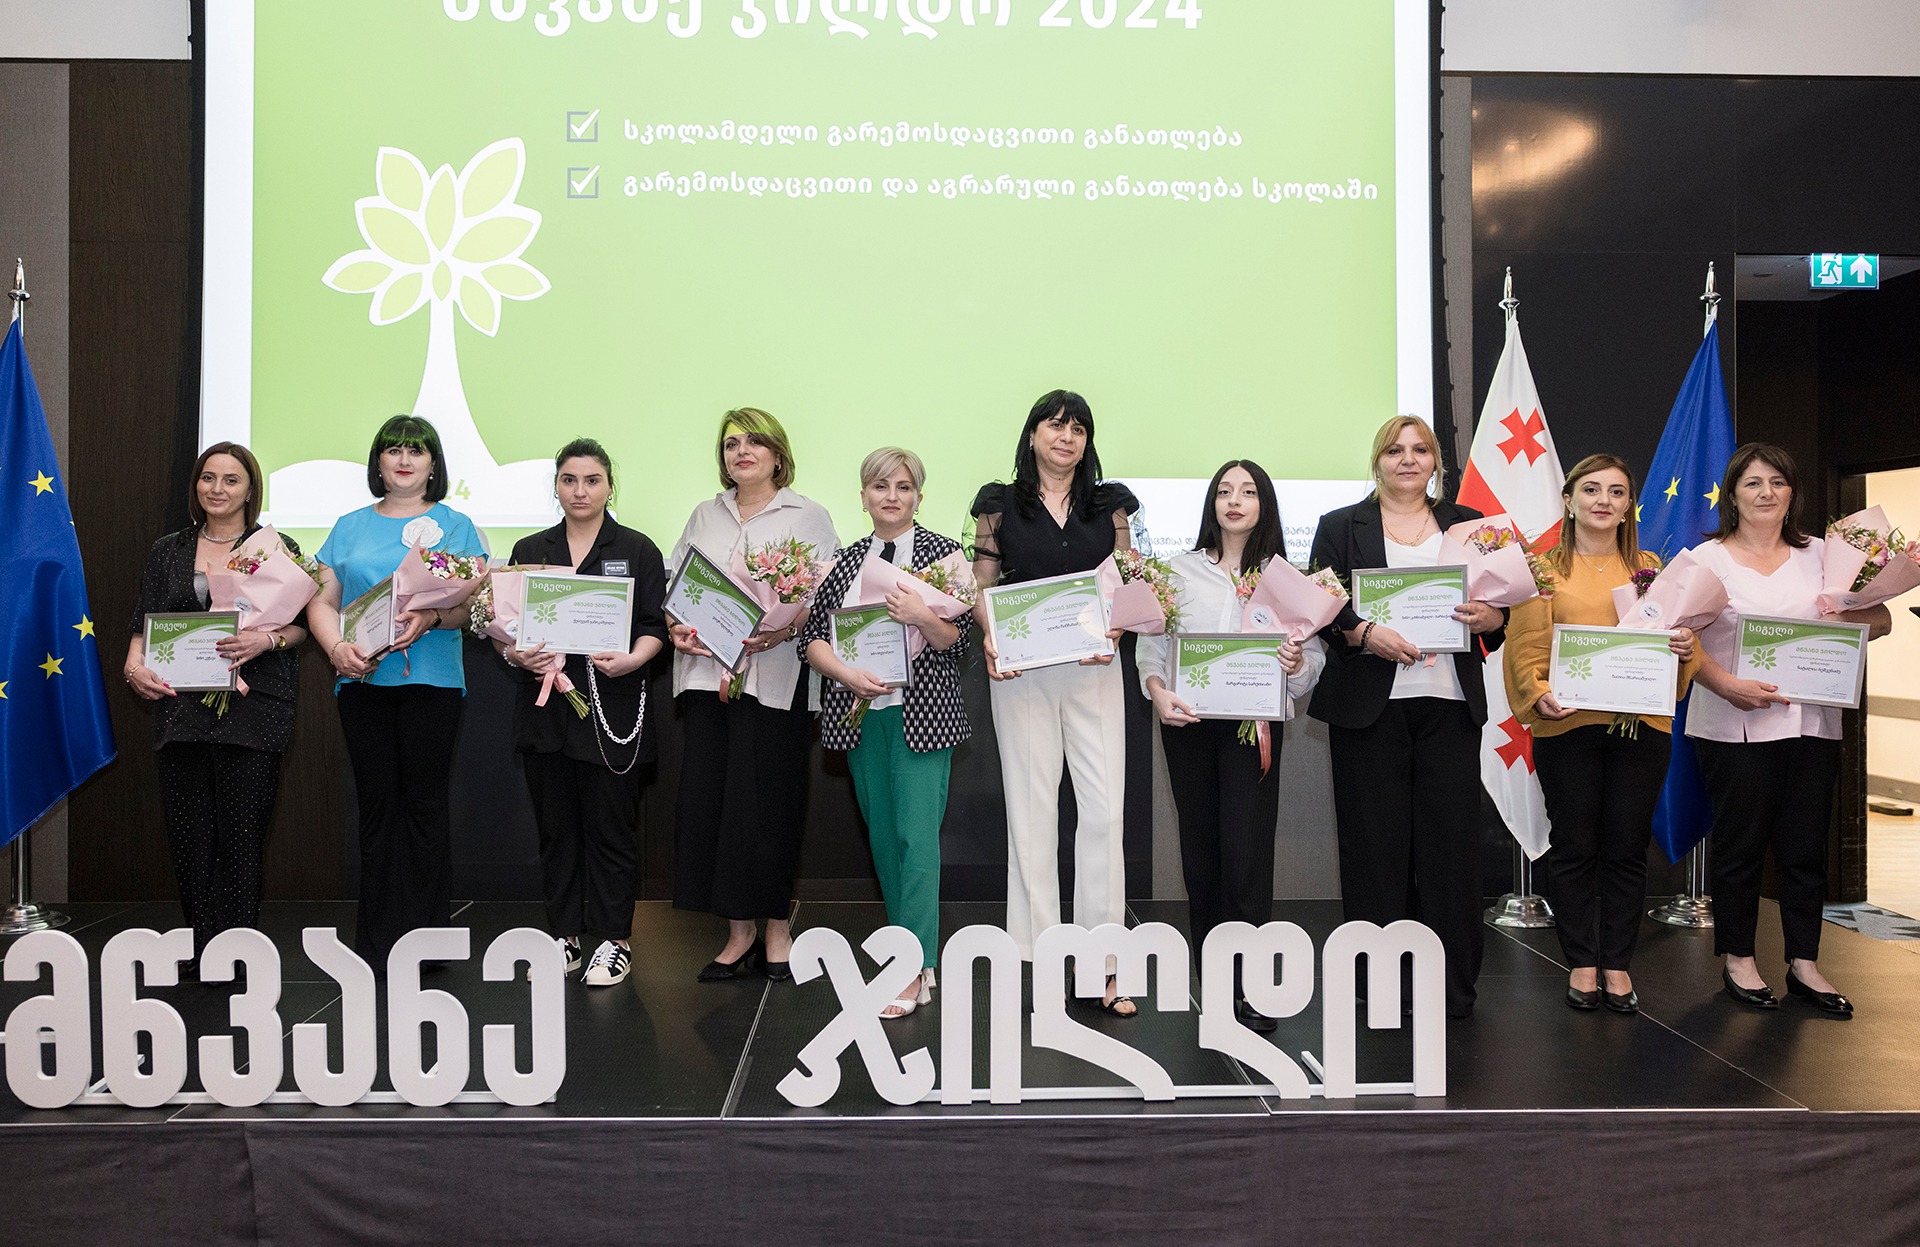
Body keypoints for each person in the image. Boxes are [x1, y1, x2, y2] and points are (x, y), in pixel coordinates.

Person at [1307, 415, 1506, 1019]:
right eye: (1395, 450)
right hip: (1369, 710)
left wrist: (1490, 619)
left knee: (1451, 851)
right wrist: (1366, 633)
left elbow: (1500, 611)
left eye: (1420, 450)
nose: (1408, 460)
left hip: (1449, 706)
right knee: (1373, 852)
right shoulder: (1339, 526)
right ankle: (1378, 988)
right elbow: (1323, 609)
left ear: (1436, 462)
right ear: (1378, 461)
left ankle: (1451, 988)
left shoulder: (1470, 524)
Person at [1686, 443, 1890, 1017]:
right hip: (1735, 722)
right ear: (1732, 495)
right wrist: (1729, 685)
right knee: (1741, 846)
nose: (1766, 493)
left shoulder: (1825, 555)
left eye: (1777, 482)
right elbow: (1681, 640)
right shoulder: (1706, 560)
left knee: (1805, 847)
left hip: (1813, 722)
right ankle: (1739, 958)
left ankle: (1805, 962)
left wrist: (1841, 615)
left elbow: (1881, 618)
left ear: (1792, 493)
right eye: (1753, 483)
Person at [1503, 455, 1698, 1014]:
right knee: (1574, 846)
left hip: (1641, 729)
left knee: (1627, 847)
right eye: (1591, 490)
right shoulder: (1541, 570)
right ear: (1568, 501)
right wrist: (1537, 691)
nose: (1603, 501)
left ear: (1629, 504)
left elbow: (1678, 642)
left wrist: (1685, 646)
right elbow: (1526, 648)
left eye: (1616, 491)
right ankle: (1581, 962)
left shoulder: (1652, 567)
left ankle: (1617, 963)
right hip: (1569, 726)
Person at [1137, 460, 1325, 1032]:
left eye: (1247, 491)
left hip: (1252, 730)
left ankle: (1251, 986)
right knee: (1201, 857)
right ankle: (1214, 985)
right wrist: (1157, 692)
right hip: (1189, 725)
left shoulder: (1287, 580)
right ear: (1211, 504)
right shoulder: (1176, 571)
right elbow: (1152, 646)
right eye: (1224, 491)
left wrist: (1295, 664)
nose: (1234, 500)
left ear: (1264, 503)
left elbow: (1310, 669)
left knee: (1246, 856)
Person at [971, 389, 1140, 1016]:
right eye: (1054, 425)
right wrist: (991, 635)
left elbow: (1131, 578)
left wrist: (1119, 625)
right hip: (1022, 672)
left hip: (1095, 669)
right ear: (1033, 435)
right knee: (1031, 814)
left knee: (1103, 815)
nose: (1066, 437)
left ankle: (1104, 966)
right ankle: (1042, 962)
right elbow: (982, 585)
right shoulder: (998, 505)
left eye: (1078, 429)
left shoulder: (1110, 504)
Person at [305, 415, 486, 971]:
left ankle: (428, 944)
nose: (404, 459)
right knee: (377, 808)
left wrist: (431, 617)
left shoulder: (455, 525)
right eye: (393, 450)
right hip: (362, 682)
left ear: (433, 465)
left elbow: (471, 605)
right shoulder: (349, 526)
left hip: (432, 682)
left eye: (417, 450)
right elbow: (321, 599)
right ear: (378, 462)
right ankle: (378, 943)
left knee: (425, 808)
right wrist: (335, 648)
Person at [668, 407, 840, 983]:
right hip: (706, 680)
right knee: (717, 807)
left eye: (754, 442)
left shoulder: (808, 516)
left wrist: (784, 629)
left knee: (770, 808)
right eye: (731, 443)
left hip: (776, 684)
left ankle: (776, 930)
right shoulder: (704, 514)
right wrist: (676, 627)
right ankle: (737, 934)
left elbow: (826, 599)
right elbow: (677, 586)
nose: (741, 452)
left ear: (777, 453)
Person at [801, 447, 972, 1018]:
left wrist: (922, 615)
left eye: (903, 487)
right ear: (864, 496)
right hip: (861, 714)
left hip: (923, 717)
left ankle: (913, 965)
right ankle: (911, 955)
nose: (891, 496)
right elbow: (812, 642)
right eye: (880, 486)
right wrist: (846, 673)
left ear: (919, 496)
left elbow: (957, 644)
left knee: (916, 841)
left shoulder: (944, 556)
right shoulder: (844, 562)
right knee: (883, 840)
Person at [124, 442, 306, 971]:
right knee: (190, 836)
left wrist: (265, 641)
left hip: (254, 708)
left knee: (242, 834)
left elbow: (300, 627)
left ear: (250, 490)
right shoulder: (168, 550)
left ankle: (237, 951)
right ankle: (203, 947)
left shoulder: (276, 548)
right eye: (208, 478)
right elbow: (143, 623)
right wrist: (134, 668)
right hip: (180, 708)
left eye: (231, 480)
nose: (217, 489)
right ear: (196, 485)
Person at [500, 439, 667, 988]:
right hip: (546, 714)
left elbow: (655, 627)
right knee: (556, 832)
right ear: (556, 486)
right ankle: (565, 937)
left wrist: (633, 660)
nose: (580, 491)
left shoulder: (637, 549)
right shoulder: (531, 548)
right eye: (569, 480)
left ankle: (615, 940)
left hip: (610, 711)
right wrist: (516, 654)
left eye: (592, 480)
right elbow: (505, 626)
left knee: (611, 831)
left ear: (609, 487)